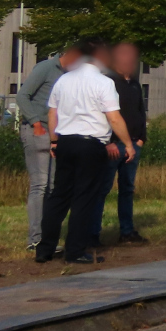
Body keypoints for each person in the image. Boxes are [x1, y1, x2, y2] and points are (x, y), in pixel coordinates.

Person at [36, 39, 136, 265]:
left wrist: (54, 141)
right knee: (84, 198)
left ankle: (45, 249)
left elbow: (53, 114)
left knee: (59, 196)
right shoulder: (104, 83)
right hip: (91, 144)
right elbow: (113, 117)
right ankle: (75, 251)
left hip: (66, 142)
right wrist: (128, 144)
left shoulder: (63, 80)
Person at [15, 44, 75, 253]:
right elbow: (22, 96)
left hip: (55, 134)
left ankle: (48, 237)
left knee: (52, 186)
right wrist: (36, 123)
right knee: (40, 185)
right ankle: (35, 239)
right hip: (36, 130)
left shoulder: (70, 76)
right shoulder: (45, 68)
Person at [89, 41, 148, 246]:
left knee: (127, 189)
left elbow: (140, 112)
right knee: (102, 189)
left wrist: (141, 138)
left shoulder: (134, 84)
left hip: (133, 145)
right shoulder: (108, 82)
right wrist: (109, 142)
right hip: (112, 146)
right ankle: (93, 234)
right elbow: (104, 115)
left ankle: (127, 231)